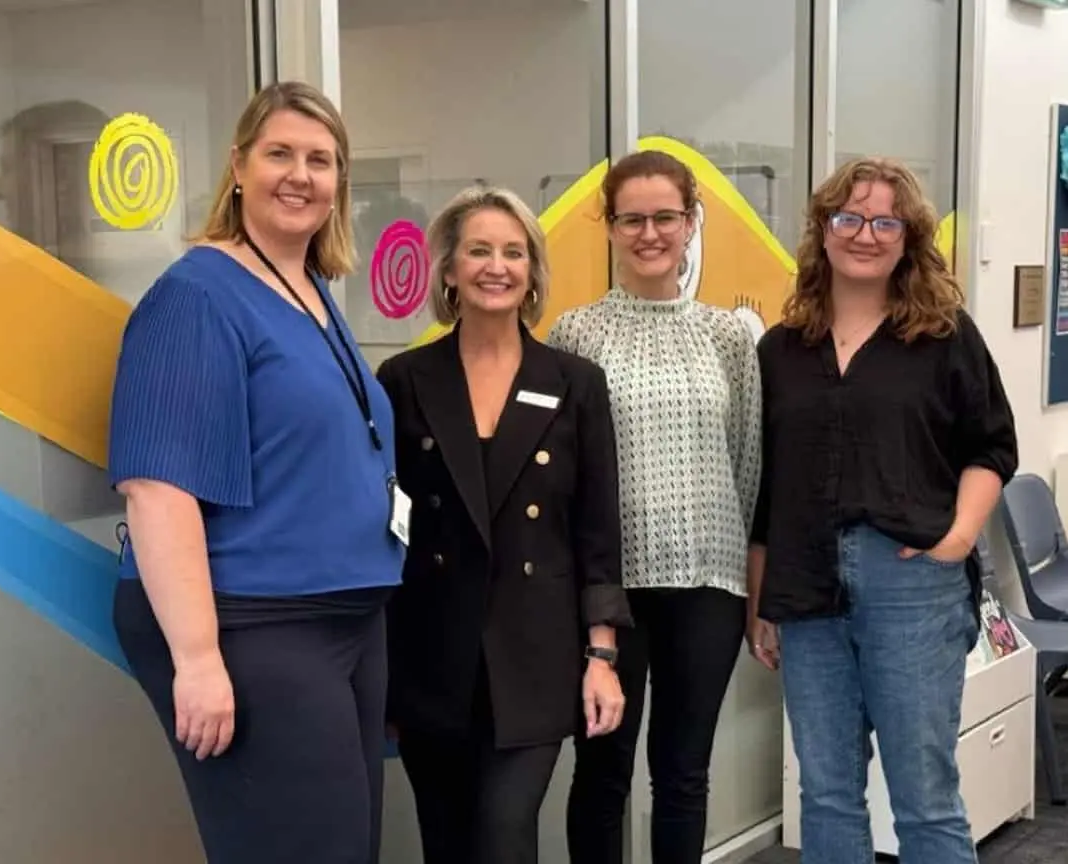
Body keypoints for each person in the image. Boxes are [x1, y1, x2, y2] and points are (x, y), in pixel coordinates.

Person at [107, 81, 404, 864]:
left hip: (345, 619)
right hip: (257, 622)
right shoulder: (196, 298)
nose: (300, 175)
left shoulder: (311, 291)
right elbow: (156, 488)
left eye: (321, 159)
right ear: (239, 166)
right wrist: (199, 659)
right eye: (280, 154)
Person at [747, 157, 1018, 864]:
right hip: (805, 589)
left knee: (924, 799)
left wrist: (957, 539)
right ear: (823, 231)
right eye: (849, 217)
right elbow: (770, 487)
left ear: (908, 238)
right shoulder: (781, 350)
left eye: (884, 221)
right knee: (827, 795)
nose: (864, 234)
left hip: (911, 585)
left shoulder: (943, 336)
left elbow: (992, 448)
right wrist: (761, 600)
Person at [376, 185, 631, 864]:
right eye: (479, 250)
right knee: (448, 845)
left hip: (537, 658)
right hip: (433, 658)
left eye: (514, 252)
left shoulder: (576, 382)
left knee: (505, 838)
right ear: (450, 270)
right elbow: (387, 532)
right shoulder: (403, 379)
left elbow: (597, 533)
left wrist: (602, 656)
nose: (498, 266)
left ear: (532, 272)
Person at [548, 150, 762, 864]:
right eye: (632, 218)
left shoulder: (728, 335)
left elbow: (748, 462)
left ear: (691, 222)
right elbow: (565, 478)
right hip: (612, 592)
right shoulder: (576, 334)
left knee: (683, 774)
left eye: (665, 217)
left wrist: (753, 589)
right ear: (608, 227)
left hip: (708, 586)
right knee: (603, 771)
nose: (649, 233)